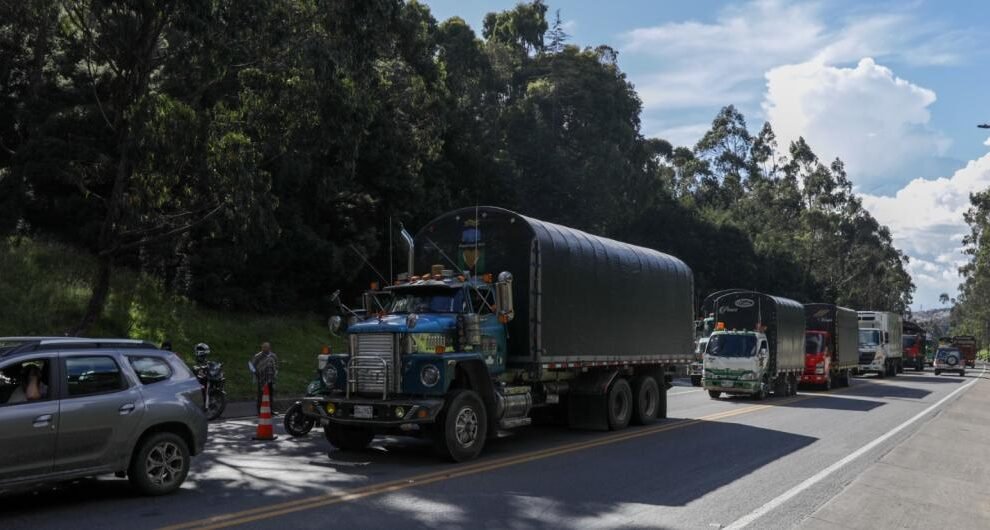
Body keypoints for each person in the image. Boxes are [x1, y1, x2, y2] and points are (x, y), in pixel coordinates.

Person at [251, 342, 279, 415]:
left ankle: (271, 410)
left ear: (269, 348)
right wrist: (256, 374)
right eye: (263, 347)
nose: (264, 348)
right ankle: (259, 411)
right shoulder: (258, 356)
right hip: (261, 379)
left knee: (270, 395)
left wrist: (275, 374)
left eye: (266, 347)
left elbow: (276, 365)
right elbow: (253, 366)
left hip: (271, 378)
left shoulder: (273, 356)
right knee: (260, 395)